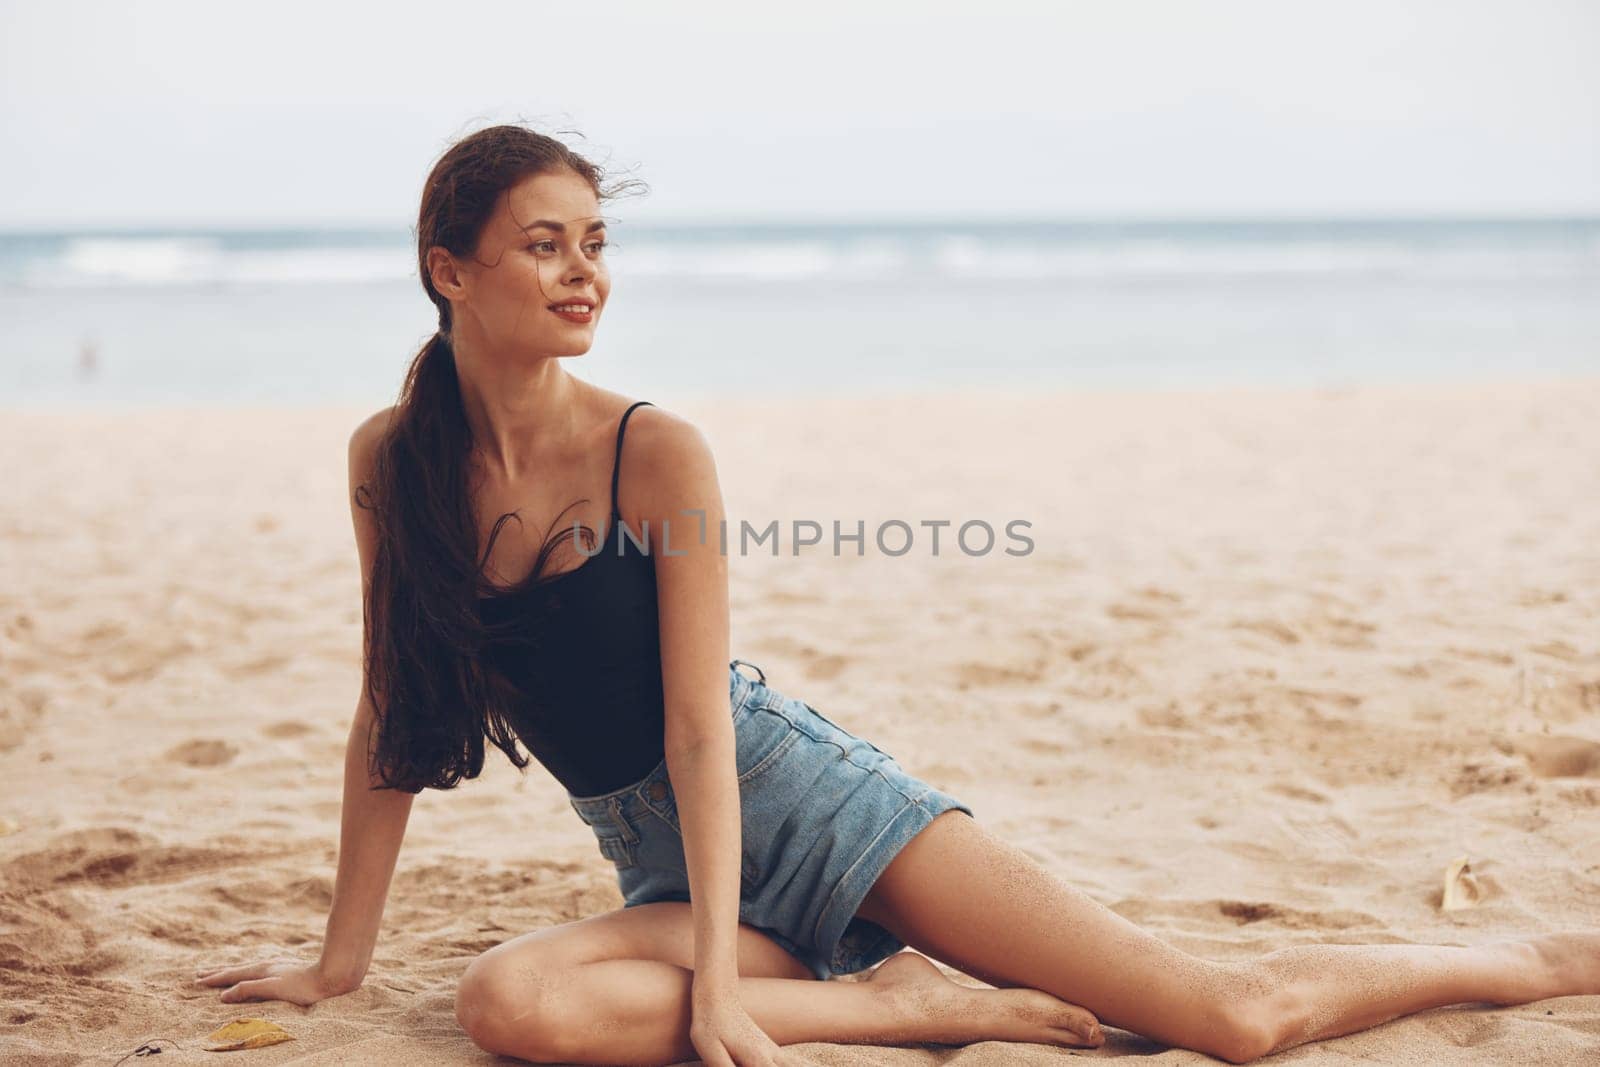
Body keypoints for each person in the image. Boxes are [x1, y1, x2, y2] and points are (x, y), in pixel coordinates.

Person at [194, 125, 1599, 1066]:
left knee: (1226, 1018)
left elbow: (698, 732)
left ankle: (1524, 959)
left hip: (803, 805)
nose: (586, 275)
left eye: (596, 243)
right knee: (513, 1004)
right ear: (451, 270)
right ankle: (891, 1006)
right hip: (667, 864)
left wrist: (733, 1006)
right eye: (544, 245)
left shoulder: (650, 449)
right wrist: (337, 963)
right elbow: (390, 709)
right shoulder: (396, 463)